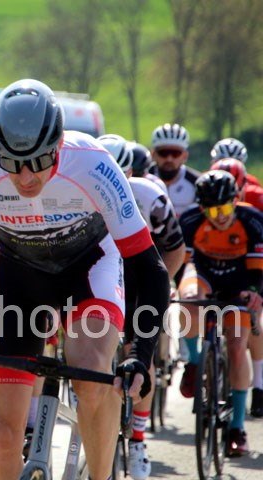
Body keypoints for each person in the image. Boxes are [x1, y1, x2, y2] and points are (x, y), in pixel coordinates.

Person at [0, 79, 169, 480]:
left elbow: (150, 268)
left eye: (37, 161)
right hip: (17, 274)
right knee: (0, 439)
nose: (25, 177)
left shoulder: (93, 164)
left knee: (91, 376)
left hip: (88, 266)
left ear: (57, 144)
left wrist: (140, 353)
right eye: (11, 163)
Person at [99, 134, 186, 480]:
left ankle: (137, 440)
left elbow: (175, 249)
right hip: (99, 275)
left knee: (140, 353)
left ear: (130, 173)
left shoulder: (150, 197)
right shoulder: (77, 192)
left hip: (139, 278)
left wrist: (163, 287)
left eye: (117, 176)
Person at [177, 170, 263, 457]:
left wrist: (255, 292)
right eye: (213, 210)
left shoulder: (252, 220)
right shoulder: (190, 221)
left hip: (240, 282)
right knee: (188, 300)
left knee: (237, 346)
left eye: (225, 208)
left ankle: (237, 428)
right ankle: (194, 362)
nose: (221, 216)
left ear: (236, 201)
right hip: (204, 275)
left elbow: (259, 270)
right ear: (202, 208)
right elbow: (182, 266)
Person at [208, 159, 263, 418]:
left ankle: (259, 385)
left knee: (249, 323)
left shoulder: (255, 201)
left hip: (249, 268)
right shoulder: (205, 200)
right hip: (216, 270)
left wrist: (256, 290)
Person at [150, 123, 200, 216]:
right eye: (163, 153)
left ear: (185, 156)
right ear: (153, 155)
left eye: (175, 153)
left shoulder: (197, 183)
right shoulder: (143, 179)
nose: (169, 159)